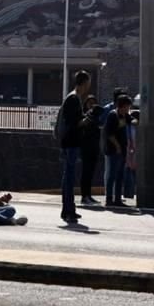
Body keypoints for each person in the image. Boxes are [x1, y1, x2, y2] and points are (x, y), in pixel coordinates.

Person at [58, 70, 92, 224]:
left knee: (69, 177)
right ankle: (68, 210)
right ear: (84, 82)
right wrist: (87, 119)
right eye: (88, 82)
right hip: (70, 143)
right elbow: (74, 123)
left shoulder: (73, 97)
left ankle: (69, 209)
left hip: (69, 142)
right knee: (69, 178)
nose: (89, 86)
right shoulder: (73, 99)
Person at [102, 94, 132, 208]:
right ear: (122, 106)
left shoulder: (125, 116)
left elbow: (132, 120)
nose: (128, 109)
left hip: (122, 149)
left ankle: (118, 199)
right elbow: (109, 134)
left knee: (120, 175)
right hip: (113, 150)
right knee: (111, 175)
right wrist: (117, 146)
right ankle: (109, 199)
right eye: (127, 106)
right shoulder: (113, 115)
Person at [79, 95, 103, 206]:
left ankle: (88, 195)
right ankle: (84, 196)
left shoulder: (96, 117)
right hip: (86, 148)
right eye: (89, 103)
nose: (91, 105)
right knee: (86, 172)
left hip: (94, 147)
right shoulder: (85, 116)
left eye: (93, 102)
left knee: (91, 173)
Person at [123, 109, 139, 200]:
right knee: (130, 173)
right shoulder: (132, 128)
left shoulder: (129, 127)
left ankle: (129, 193)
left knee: (130, 173)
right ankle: (129, 193)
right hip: (131, 152)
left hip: (131, 153)